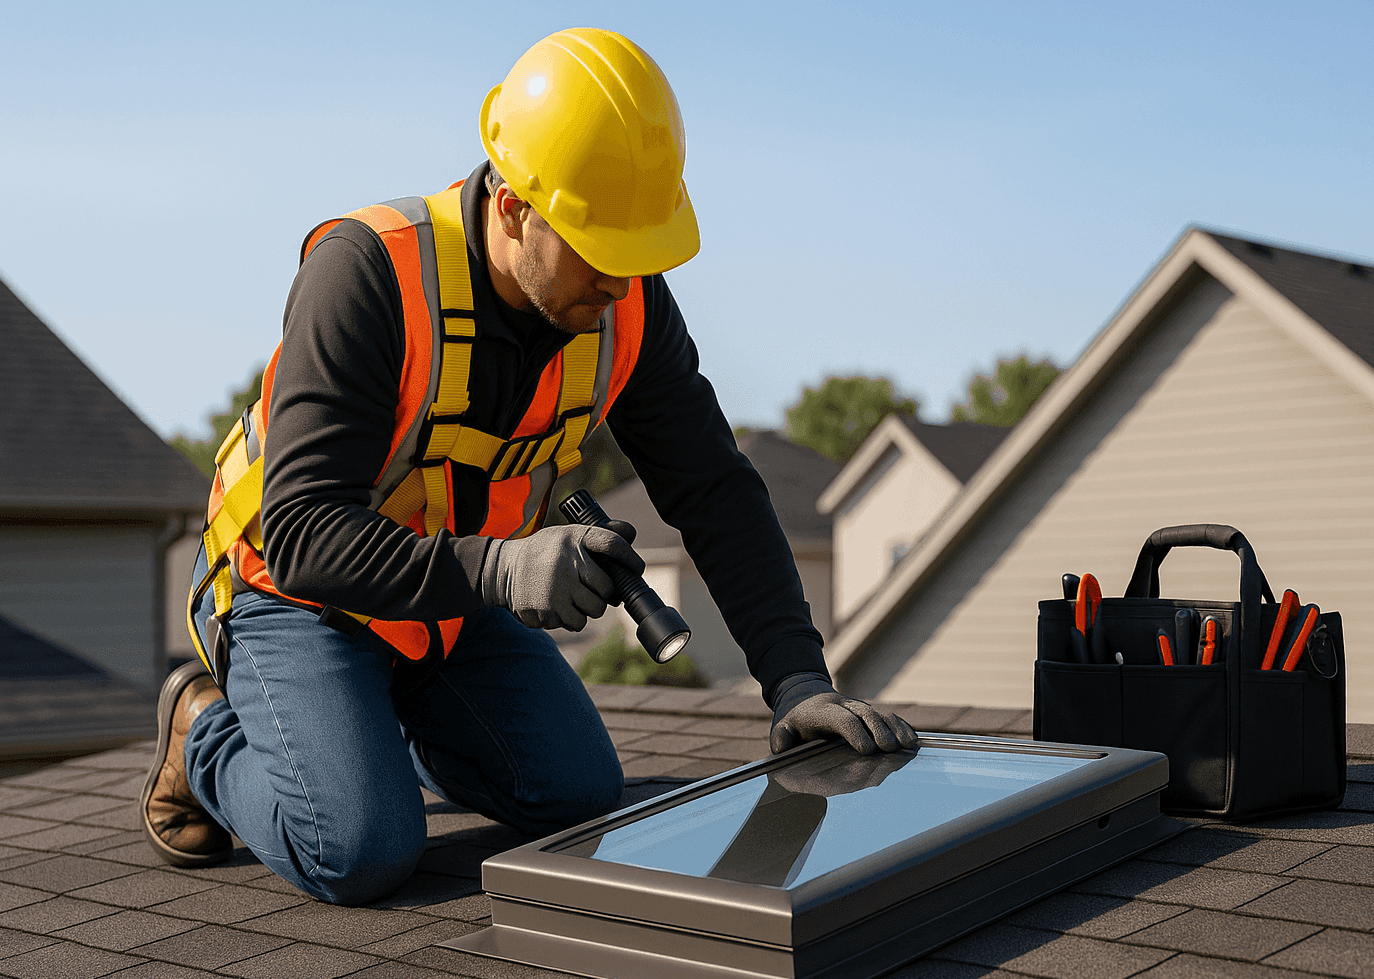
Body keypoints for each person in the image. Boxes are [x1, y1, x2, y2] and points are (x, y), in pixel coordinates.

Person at [141, 27, 917, 906]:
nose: (623, 284)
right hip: (296, 591)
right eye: (598, 247)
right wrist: (506, 568)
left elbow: (715, 490)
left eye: (637, 252)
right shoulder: (367, 275)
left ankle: (363, 724)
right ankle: (200, 729)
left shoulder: (625, 304)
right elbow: (305, 531)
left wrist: (796, 681)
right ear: (512, 207)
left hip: (447, 602)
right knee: (359, 848)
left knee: (577, 795)